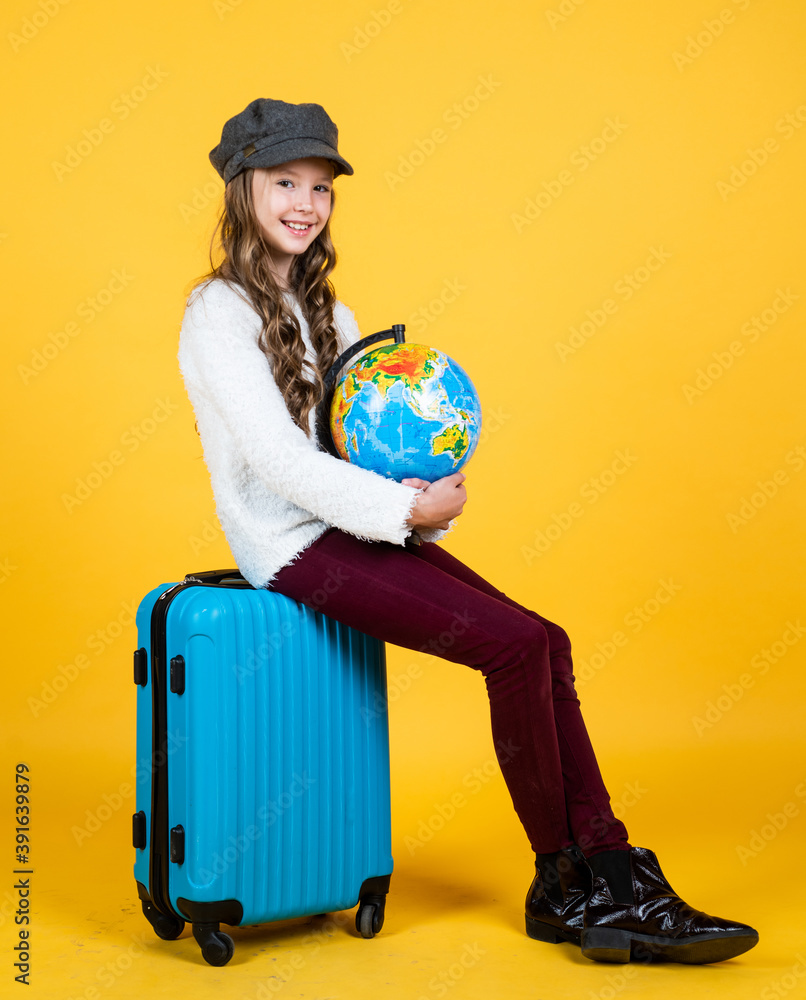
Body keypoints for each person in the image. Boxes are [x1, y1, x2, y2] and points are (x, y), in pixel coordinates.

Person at [177, 97, 759, 966]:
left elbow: (346, 447)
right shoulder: (216, 315)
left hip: (355, 527)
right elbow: (274, 463)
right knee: (514, 648)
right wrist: (408, 513)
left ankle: (577, 883)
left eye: (321, 188)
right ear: (242, 191)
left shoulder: (330, 312)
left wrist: (406, 488)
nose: (305, 203)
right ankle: (591, 875)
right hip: (293, 546)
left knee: (544, 641)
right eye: (284, 183)